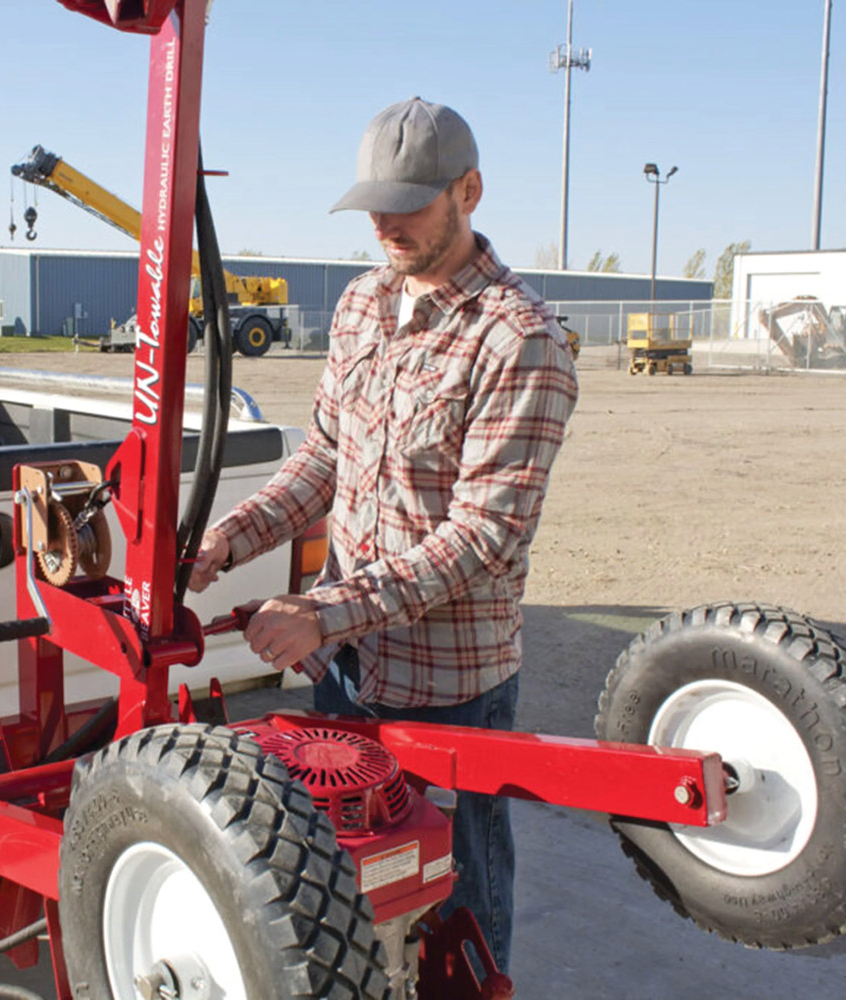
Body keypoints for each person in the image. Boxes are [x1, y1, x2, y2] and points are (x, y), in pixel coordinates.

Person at [189, 96, 578, 972]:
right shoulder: (365, 303)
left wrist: (326, 612)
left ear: (468, 191)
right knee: (348, 888)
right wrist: (231, 535)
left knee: (455, 905)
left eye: (407, 203)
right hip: (351, 669)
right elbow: (325, 454)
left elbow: (482, 536)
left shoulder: (521, 341)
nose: (382, 221)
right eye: (374, 201)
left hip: (452, 684)